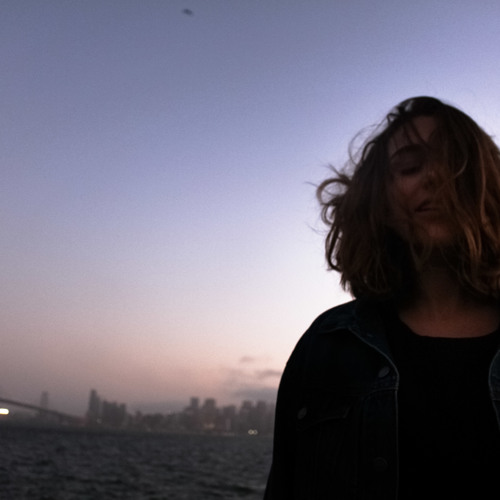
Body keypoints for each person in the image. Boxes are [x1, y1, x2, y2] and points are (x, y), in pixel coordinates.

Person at [264, 96, 500, 499]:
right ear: (382, 204)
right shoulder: (329, 344)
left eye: (455, 161)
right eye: (409, 167)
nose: (435, 177)